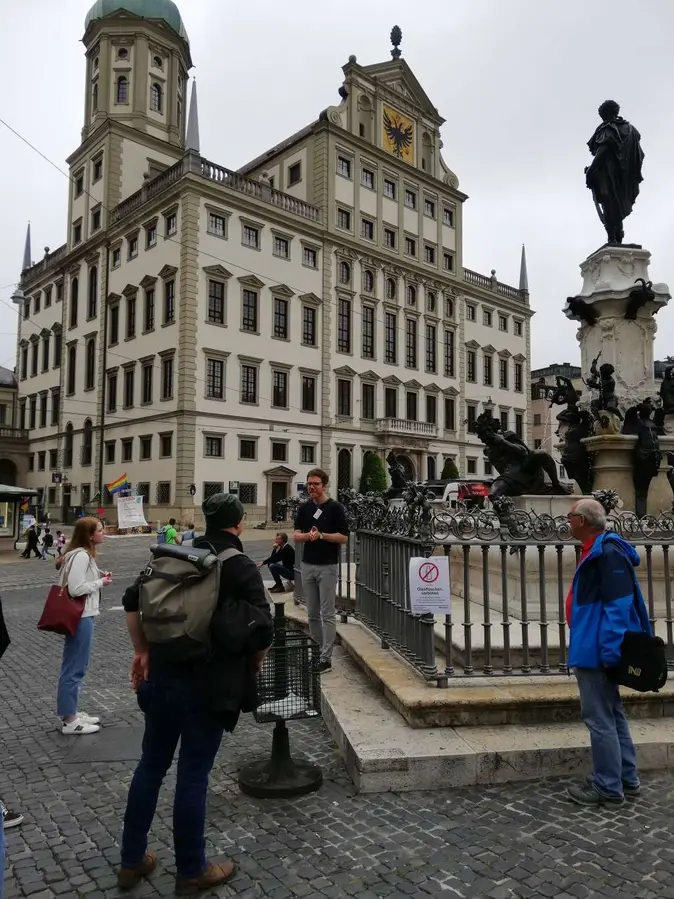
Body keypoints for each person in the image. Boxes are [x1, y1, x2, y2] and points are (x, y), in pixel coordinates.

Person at [117, 493, 273, 894]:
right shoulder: (239, 565)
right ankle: (191, 870)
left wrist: (141, 652)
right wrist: (254, 664)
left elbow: (132, 601)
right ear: (238, 525)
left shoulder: (177, 552)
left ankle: (131, 861)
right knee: (192, 775)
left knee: (150, 767)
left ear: (206, 522)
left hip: (163, 677)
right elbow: (263, 630)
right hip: (209, 685)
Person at [565, 498, 651, 806]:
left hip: (595, 650)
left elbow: (618, 608)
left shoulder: (608, 553)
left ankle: (608, 787)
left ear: (584, 521)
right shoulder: (597, 550)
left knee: (599, 718)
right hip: (593, 644)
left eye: (571, 516)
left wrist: (609, 652)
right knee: (612, 714)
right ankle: (626, 779)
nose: (567, 520)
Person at [57, 518, 112, 735]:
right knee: (75, 668)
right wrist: (101, 583)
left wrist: (98, 575)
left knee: (74, 665)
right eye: (100, 530)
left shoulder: (79, 554)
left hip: (82, 615)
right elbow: (76, 588)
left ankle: (70, 711)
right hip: (81, 616)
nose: (103, 532)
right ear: (89, 535)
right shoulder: (81, 556)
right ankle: (70, 721)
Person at [292, 468, 348, 674]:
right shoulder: (305, 508)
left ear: (324, 485)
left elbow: (343, 537)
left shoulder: (335, 508)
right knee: (312, 613)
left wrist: (322, 535)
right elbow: (296, 535)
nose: (311, 487)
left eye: (315, 483)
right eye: (309, 483)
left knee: (327, 613)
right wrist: (309, 536)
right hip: (308, 564)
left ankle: (326, 658)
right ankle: (316, 652)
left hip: (327, 566)